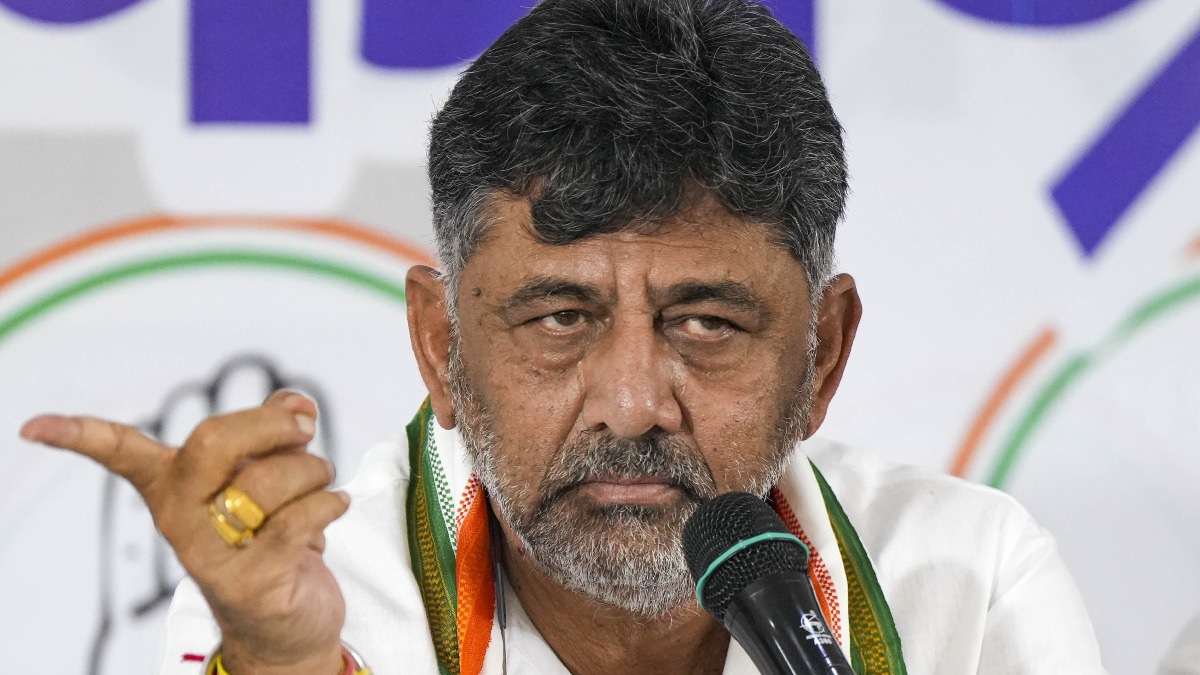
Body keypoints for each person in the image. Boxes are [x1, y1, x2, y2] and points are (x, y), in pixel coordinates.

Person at [19, 0, 1107, 673]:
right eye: (560, 319)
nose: (632, 402)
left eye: (707, 322)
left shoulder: (971, 584)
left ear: (821, 355)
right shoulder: (306, 607)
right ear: (442, 349)